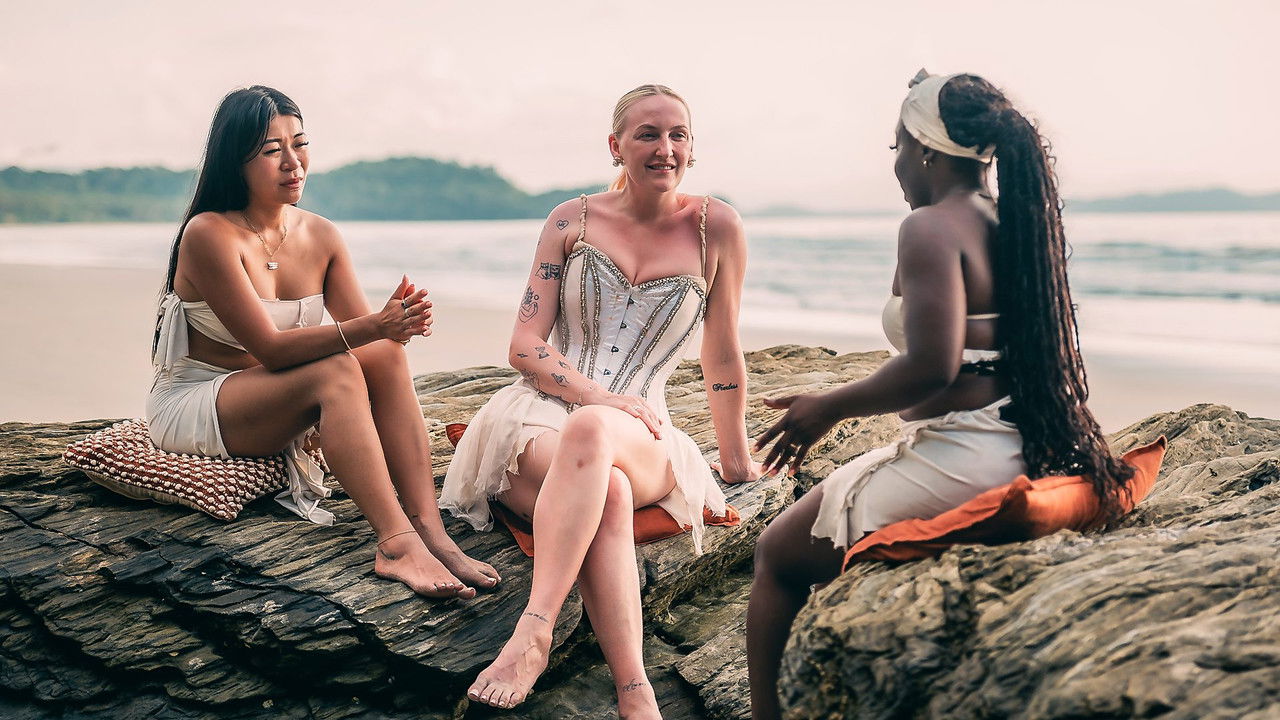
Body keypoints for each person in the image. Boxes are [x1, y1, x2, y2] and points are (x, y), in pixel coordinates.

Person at [746, 70, 1136, 719]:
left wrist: (825, 408)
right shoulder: (1013, 220)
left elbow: (930, 367)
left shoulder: (930, 227)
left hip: (961, 458)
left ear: (927, 151)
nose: (894, 163)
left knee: (776, 557)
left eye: (897, 145)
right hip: (1024, 442)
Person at [440, 84, 760, 715]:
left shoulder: (716, 228)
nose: (664, 148)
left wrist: (738, 461)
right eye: (647, 134)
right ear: (615, 145)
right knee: (604, 486)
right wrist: (597, 396)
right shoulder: (570, 219)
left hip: (644, 431)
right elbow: (525, 344)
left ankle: (535, 629)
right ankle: (632, 686)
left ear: (692, 149)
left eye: (678, 135)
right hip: (539, 416)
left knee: (596, 438)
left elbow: (721, 353)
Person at [147, 85, 499, 599]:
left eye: (300, 144)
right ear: (235, 161)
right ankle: (395, 543)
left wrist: (396, 325)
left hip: (272, 399)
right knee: (336, 370)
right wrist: (374, 325)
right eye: (271, 151)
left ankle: (429, 528)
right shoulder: (208, 235)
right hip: (200, 400)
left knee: (382, 356)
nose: (293, 163)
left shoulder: (321, 236)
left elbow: (368, 341)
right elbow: (271, 349)